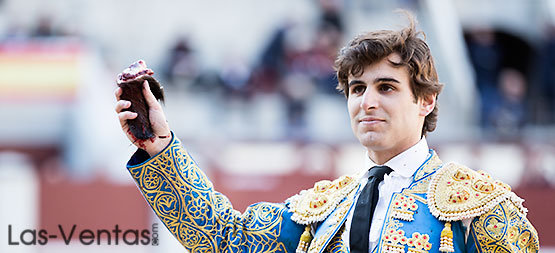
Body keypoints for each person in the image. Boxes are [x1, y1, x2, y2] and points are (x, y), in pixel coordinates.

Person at [114, 12, 539, 253]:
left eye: (386, 87)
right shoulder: (323, 208)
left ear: (426, 100)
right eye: (357, 89)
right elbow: (223, 238)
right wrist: (161, 147)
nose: (366, 102)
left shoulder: (481, 208)